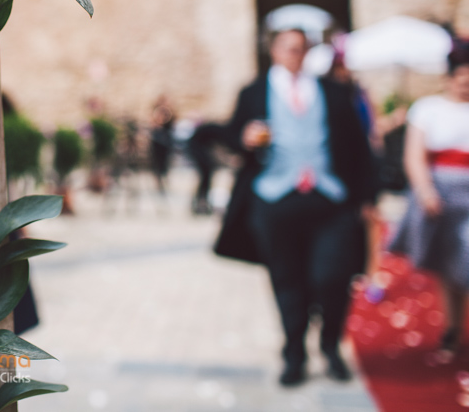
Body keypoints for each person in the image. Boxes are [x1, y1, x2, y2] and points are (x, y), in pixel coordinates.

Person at [215, 28, 376, 386]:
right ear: (273, 50)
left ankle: (331, 346)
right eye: (288, 48)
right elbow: (232, 135)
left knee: (332, 278)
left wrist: (367, 197)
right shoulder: (253, 92)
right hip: (275, 201)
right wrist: (244, 138)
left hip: (329, 199)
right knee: (288, 282)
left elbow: (358, 145)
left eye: (301, 48)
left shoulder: (332, 92)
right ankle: (294, 354)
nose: (295, 54)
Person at [389, 39, 469, 352]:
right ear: (448, 79)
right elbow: (414, 155)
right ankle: (452, 326)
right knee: (449, 264)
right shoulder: (428, 109)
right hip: (441, 193)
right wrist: (425, 191)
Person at [187, 121, 224, 215]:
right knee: (204, 180)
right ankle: (200, 205)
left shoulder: (213, 130)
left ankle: (202, 204)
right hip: (199, 156)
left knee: (205, 180)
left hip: (201, 157)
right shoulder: (218, 132)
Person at [149, 95, 175, 197]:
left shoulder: (170, 113)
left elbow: (171, 125)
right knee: (157, 163)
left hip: (166, 141)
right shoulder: (155, 112)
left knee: (165, 162)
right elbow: (153, 125)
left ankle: (164, 180)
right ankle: (159, 183)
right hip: (157, 142)